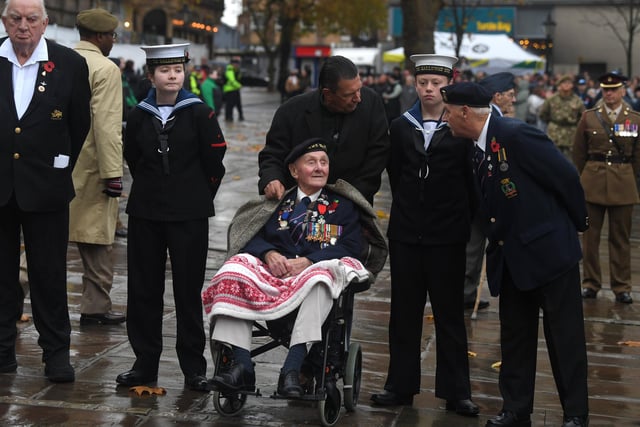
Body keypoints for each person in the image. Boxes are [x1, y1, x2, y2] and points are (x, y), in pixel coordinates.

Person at [441, 82, 590, 427]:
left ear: (465, 112)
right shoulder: (474, 147)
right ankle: (515, 409)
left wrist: (576, 224)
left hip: (549, 254)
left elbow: (565, 176)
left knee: (564, 338)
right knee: (515, 338)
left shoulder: (515, 134)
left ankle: (576, 414)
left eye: (449, 112)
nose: (445, 119)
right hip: (510, 257)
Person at [203, 138, 386, 397]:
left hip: (313, 277)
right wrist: (269, 253)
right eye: (311, 163)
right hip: (275, 276)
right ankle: (242, 366)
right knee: (233, 271)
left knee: (321, 279)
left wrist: (310, 261)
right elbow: (249, 234)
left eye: (324, 162)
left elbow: (352, 246)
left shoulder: (343, 205)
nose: (320, 168)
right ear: (293, 171)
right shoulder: (277, 202)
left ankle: (292, 369)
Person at [369, 54, 479, 417]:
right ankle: (399, 385)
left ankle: (456, 391)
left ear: (450, 84)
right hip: (407, 235)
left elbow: (471, 182)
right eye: (423, 83)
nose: (429, 89)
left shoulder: (462, 128)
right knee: (404, 314)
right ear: (414, 84)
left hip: (447, 237)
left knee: (449, 315)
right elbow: (397, 174)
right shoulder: (401, 126)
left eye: (436, 84)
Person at [115, 43, 227, 391]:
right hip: (146, 212)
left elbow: (215, 162)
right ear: (151, 75)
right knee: (144, 290)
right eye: (164, 71)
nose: (172, 76)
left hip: (189, 214)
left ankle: (193, 368)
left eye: (177, 70)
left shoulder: (200, 113)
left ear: (184, 72)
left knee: (187, 291)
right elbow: (133, 156)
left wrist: (193, 195)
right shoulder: (138, 115)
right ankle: (144, 364)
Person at [0, 0, 91, 382]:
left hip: (47, 189)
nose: (23, 26)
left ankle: (55, 353)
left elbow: (79, 125)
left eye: (31, 19)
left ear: (45, 23)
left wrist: (56, 169)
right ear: (5, 21)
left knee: (49, 274)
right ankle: (3, 351)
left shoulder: (69, 64)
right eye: (15, 19)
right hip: (1, 187)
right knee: (1, 275)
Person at [258, 55, 390, 205]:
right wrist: (272, 178)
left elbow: (379, 153)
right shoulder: (291, 111)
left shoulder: (371, 103)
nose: (358, 98)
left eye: (359, 89)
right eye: (349, 95)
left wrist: (354, 195)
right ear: (327, 94)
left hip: (354, 204)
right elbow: (273, 154)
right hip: (300, 206)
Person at [70, 8, 126, 326]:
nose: (113, 42)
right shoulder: (105, 68)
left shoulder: (61, 60)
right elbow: (106, 127)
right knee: (98, 242)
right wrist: (113, 174)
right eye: (112, 36)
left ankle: (9, 298)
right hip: (92, 169)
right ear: (101, 37)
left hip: (57, 167)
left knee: (42, 241)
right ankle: (95, 307)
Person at [573, 72, 640, 304]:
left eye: (614, 90)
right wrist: (579, 182)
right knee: (590, 238)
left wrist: (634, 182)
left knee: (620, 238)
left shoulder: (634, 118)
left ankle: (621, 286)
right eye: (605, 90)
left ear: (623, 91)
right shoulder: (589, 117)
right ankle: (590, 283)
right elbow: (578, 153)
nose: (609, 94)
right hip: (592, 182)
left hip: (623, 183)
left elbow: (638, 156)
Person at [539, 74, 585, 158]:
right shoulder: (551, 100)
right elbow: (543, 114)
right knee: (553, 160)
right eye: (564, 83)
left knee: (570, 161)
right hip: (554, 133)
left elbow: (582, 117)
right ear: (559, 85)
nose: (566, 85)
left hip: (571, 135)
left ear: (572, 85)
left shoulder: (577, 100)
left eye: (569, 83)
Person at [223, 56, 244, 121]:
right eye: (235, 63)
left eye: (237, 64)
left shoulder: (237, 70)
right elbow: (232, 80)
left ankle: (241, 117)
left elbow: (239, 78)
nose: (237, 65)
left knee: (238, 104)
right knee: (230, 105)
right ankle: (229, 117)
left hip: (235, 90)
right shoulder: (229, 70)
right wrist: (239, 86)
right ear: (232, 64)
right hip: (229, 90)